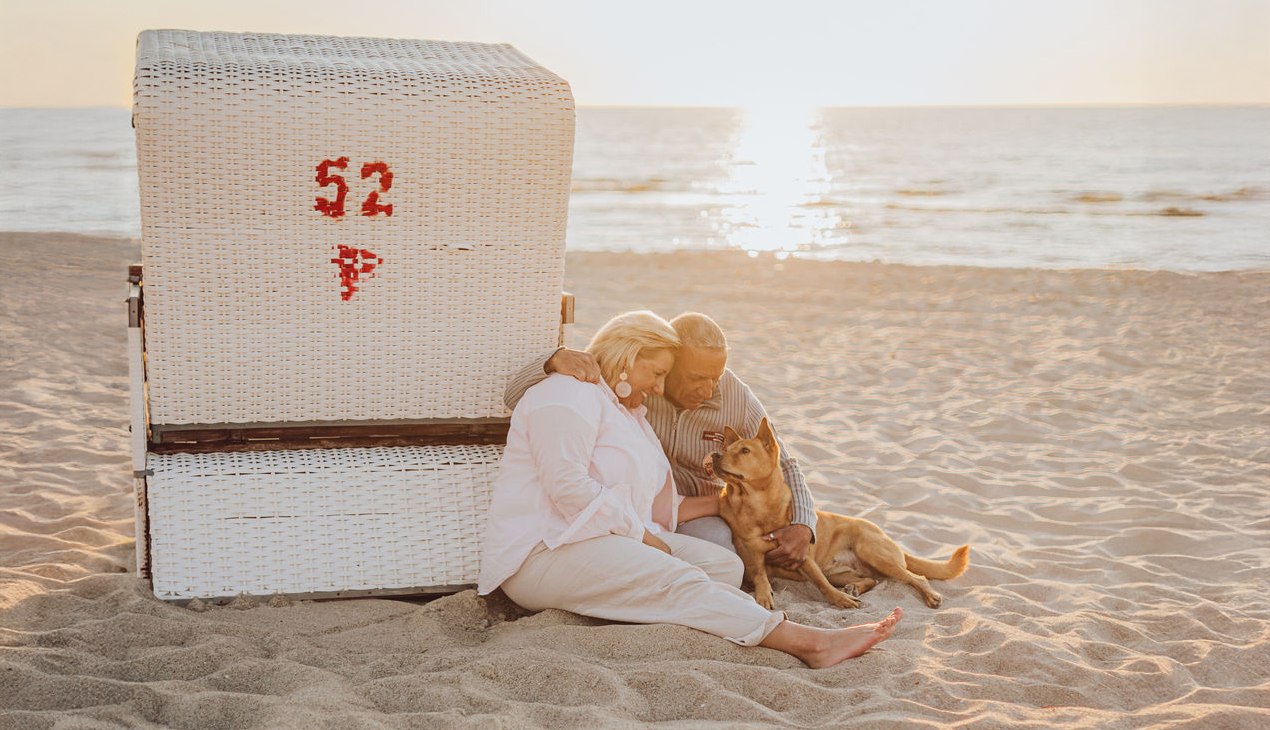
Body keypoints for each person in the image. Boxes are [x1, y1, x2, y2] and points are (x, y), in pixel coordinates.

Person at [478, 310, 901, 668]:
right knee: (676, 575)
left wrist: (747, 510)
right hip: (545, 550)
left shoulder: (630, 415)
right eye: (657, 373)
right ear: (628, 355)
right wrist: (642, 537)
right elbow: (567, 486)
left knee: (725, 568)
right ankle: (809, 642)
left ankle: (660, 599)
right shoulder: (566, 393)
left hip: (606, 536)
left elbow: (670, 505)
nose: (659, 388)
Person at [504, 312, 816, 571]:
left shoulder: (736, 397)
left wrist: (804, 525)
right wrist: (552, 361)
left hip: (701, 511)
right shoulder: (636, 386)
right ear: (669, 362)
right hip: (637, 512)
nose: (708, 390)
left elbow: (782, 461)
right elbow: (519, 398)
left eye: (715, 377)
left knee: (720, 548)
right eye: (696, 378)